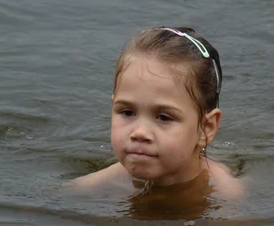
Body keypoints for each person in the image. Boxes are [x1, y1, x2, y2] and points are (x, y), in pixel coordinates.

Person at [72, 27, 244, 206]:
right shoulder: (95, 184)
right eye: (127, 112)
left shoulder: (225, 194)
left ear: (205, 129)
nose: (139, 133)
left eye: (163, 117)